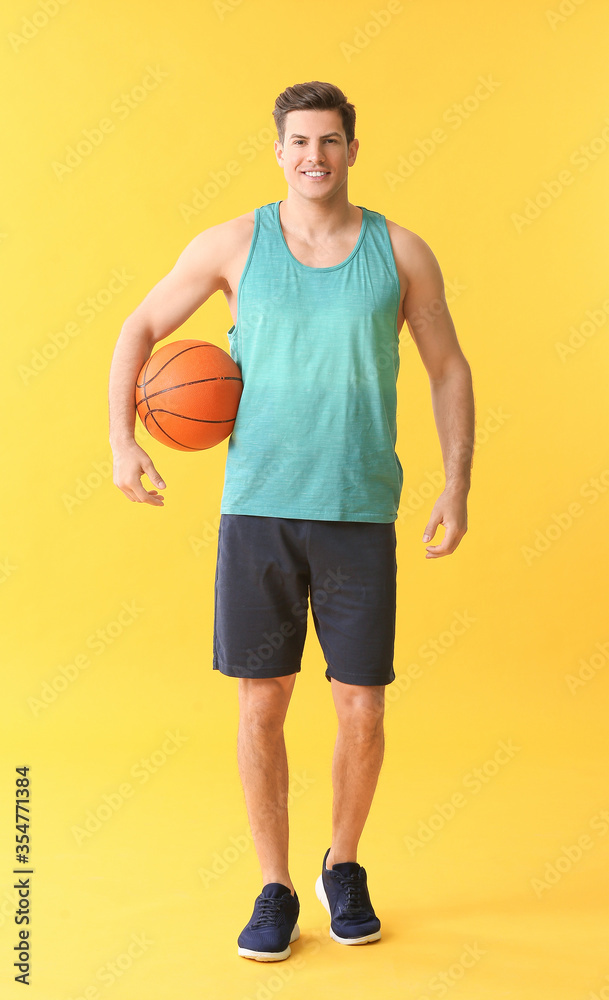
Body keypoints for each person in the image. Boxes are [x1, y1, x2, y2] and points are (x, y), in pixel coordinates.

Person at [108, 80, 475, 963]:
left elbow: (448, 369)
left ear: (354, 148)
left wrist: (455, 483)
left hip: (357, 511)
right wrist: (123, 441)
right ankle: (274, 887)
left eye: (330, 140)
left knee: (360, 708)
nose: (314, 155)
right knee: (261, 702)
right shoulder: (234, 244)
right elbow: (140, 326)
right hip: (258, 513)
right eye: (299, 141)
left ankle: (339, 865)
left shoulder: (401, 251)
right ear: (277, 151)